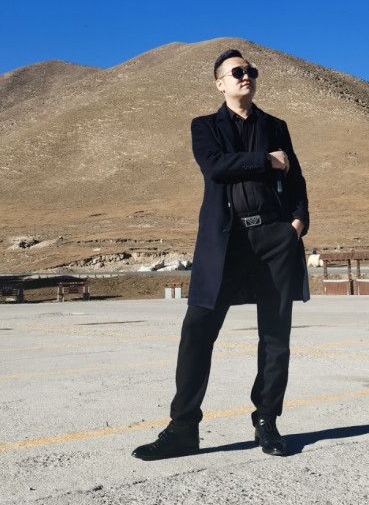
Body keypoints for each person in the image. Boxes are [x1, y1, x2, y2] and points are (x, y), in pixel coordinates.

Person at [132, 49, 310, 460]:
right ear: (220, 84)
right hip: (225, 242)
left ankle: (267, 420)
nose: (246, 76)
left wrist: (297, 223)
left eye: (251, 71)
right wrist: (267, 161)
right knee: (197, 329)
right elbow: (215, 166)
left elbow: (296, 178)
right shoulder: (205, 127)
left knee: (275, 335)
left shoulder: (276, 126)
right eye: (237, 72)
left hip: (274, 239)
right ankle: (183, 428)